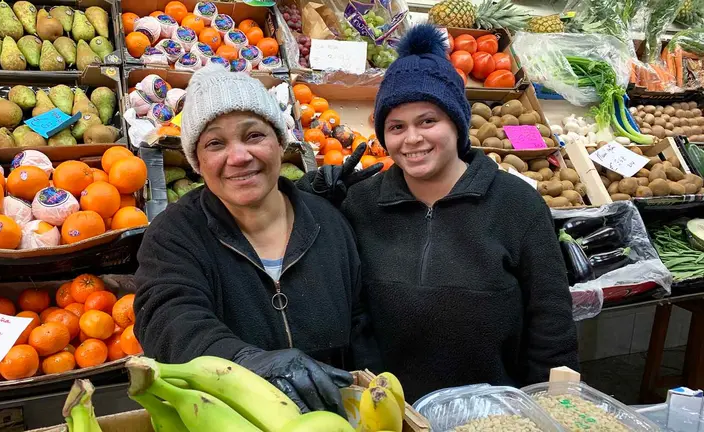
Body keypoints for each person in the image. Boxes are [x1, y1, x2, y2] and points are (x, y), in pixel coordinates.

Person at [299, 24, 579, 402]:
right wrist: (309, 203)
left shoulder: (517, 205)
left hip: (492, 415)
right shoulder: (360, 204)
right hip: (389, 412)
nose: (412, 139)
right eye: (396, 126)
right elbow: (345, 308)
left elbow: (551, 324)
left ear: (457, 124)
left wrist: (546, 406)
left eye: (428, 121)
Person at [133, 65, 379, 417]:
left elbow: (361, 326)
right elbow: (167, 318)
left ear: (280, 142)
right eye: (215, 143)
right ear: (197, 163)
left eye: (253, 136)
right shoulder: (174, 233)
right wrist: (243, 360)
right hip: (230, 417)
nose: (238, 157)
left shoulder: (329, 224)